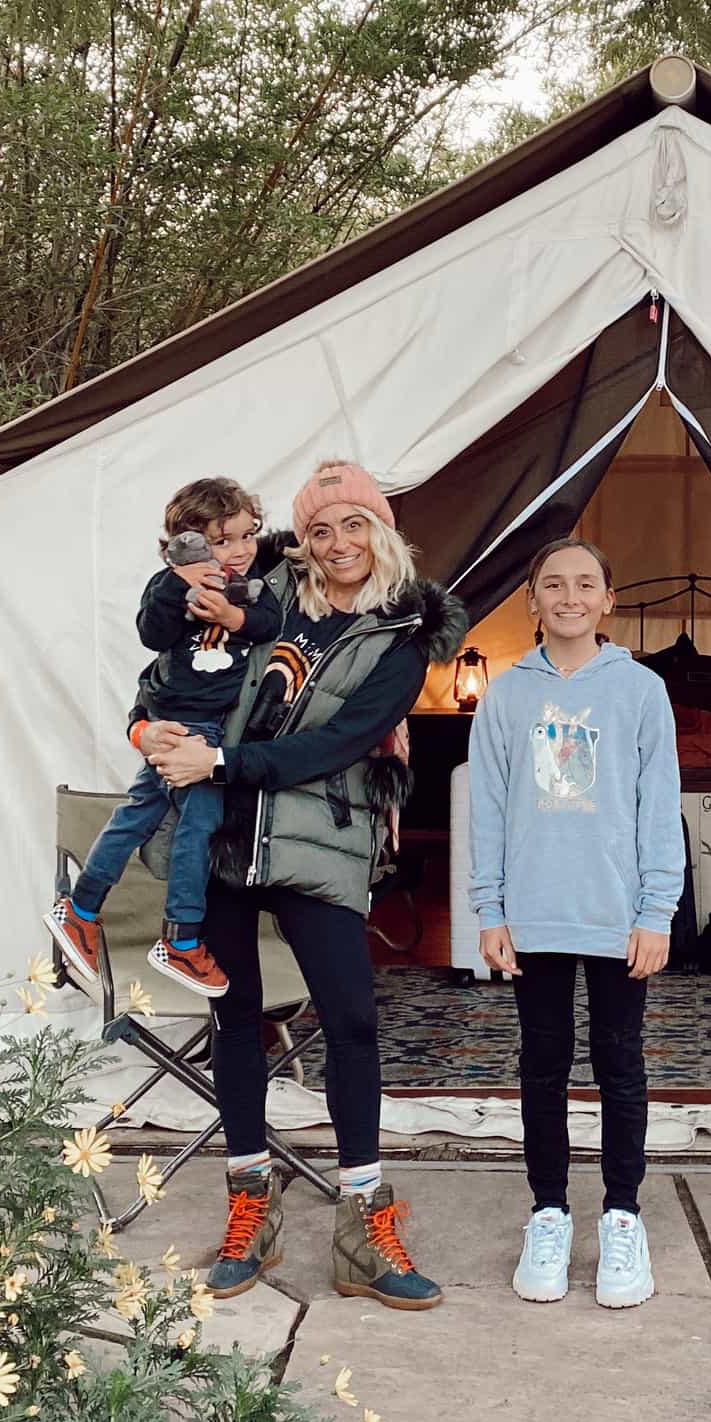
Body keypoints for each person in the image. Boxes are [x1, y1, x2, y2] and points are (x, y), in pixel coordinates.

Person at [144, 460, 466, 1307]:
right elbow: (180, 663)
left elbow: (335, 744)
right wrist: (149, 724)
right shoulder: (274, 596)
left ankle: (363, 1225)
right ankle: (252, 1203)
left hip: (315, 840)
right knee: (235, 1017)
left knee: (352, 1016)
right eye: (319, 530)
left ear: (382, 530)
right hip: (219, 834)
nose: (337, 544)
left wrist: (219, 757)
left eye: (353, 524)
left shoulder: (402, 638)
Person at [469, 536, 682, 1310]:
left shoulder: (639, 689)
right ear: (531, 601)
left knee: (620, 1062)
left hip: (617, 912)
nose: (568, 596)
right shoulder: (506, 694)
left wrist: (656, 910)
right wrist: (490, 909)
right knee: (543, 1064)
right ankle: (549, 1212)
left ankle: (622, 1214)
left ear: (608, 598)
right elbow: (487, 808)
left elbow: (659, 809)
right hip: (536, 911)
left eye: (584, 583)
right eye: (552, 584)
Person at [45, 477, 282, 1001]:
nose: (239, 550)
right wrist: (180, 581)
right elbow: (152, 635)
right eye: (223, 541)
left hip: (198, 726)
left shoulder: (250, 581)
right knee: (197, 826)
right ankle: (180, 937)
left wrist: (230, 614)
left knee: (138, 814)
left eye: (247, 536)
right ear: (189, 542)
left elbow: (268, 623)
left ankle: (82, 908)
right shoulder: (167, 583)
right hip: (185, 725)